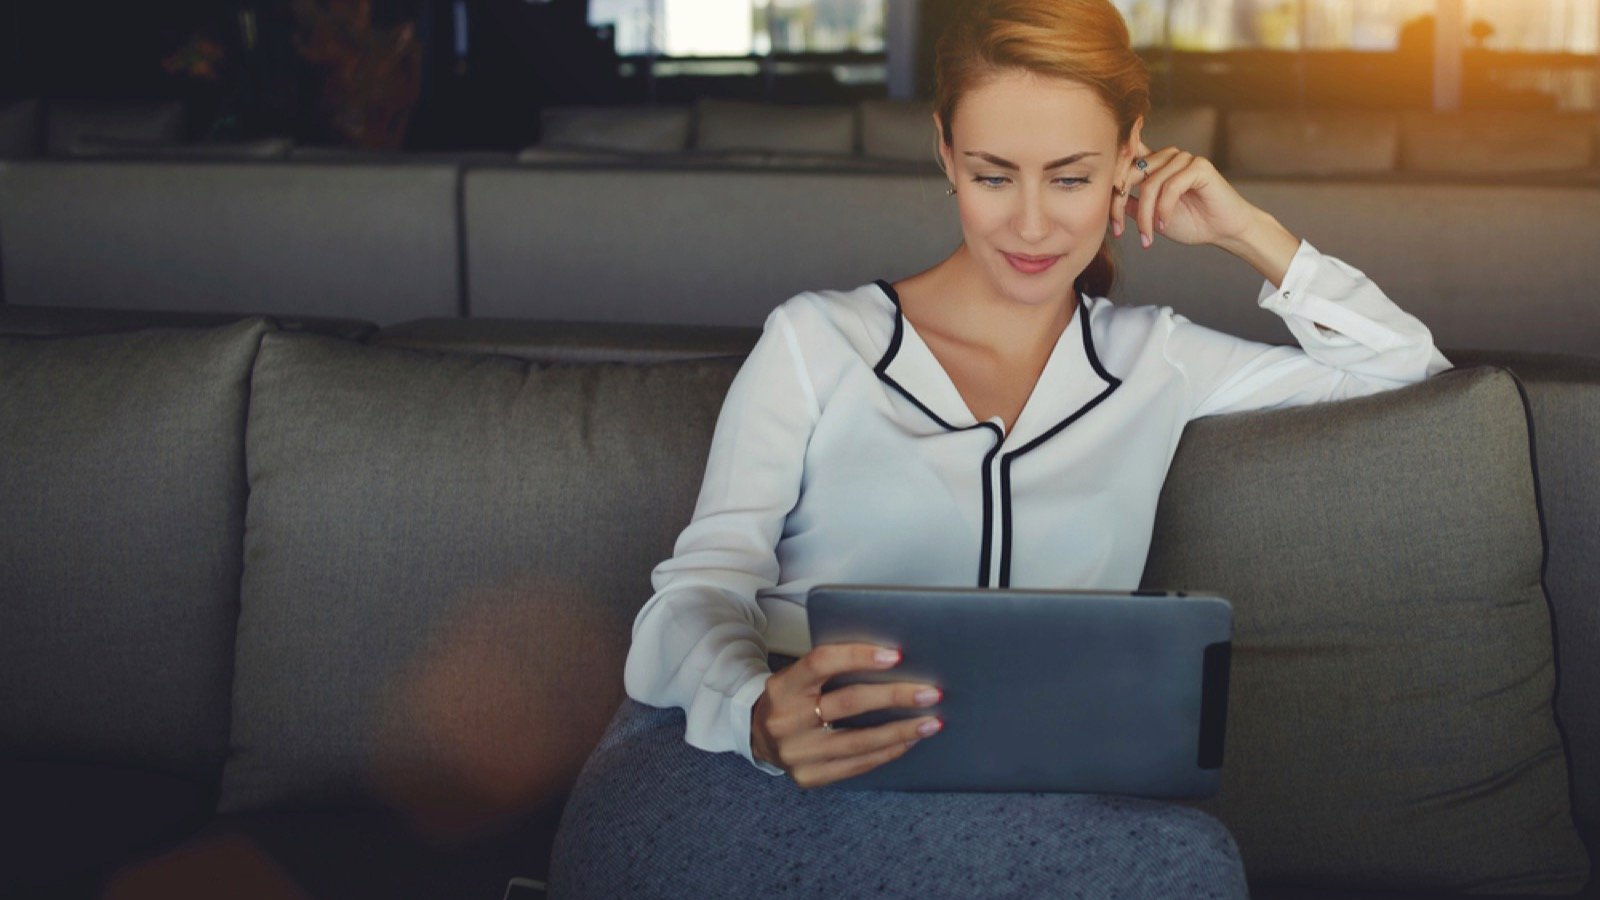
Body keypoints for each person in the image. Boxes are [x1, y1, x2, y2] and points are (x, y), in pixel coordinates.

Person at [548, 0, 1451, 895]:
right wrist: (754, 712)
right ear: (946, 154)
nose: (1030, 226)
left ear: (1129, 156)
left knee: (1178, 860)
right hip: (743, 769)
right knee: (1172, 866)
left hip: (1009, 800)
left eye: (1070, 178)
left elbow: (1413, 377)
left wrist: (1246, 230)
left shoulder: (1160, 359)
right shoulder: (817, 340)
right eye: (993, 176)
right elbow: (694, 596)